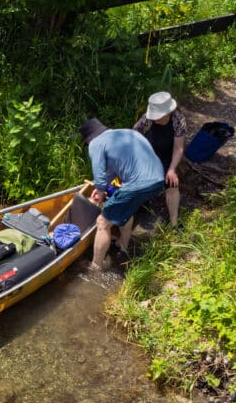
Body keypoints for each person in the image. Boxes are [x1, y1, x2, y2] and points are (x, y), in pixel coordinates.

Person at [79, 118, 165, 270]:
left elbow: (99, 174)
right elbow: (113, 169)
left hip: (138, 183)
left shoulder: (96, 143)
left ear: (88, 139)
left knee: (103, 221)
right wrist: (102, 186)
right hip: (158, 179)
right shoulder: (127, 132)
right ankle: (123, 246)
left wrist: (100, 194)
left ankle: (96, 266)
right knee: (126, 207)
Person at [133, 91, 187, 226]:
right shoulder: (146, 120)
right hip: (148, 154)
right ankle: (140, 208)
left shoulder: (178, 120)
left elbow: (178, 148)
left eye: (159, 116)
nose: (155, 119)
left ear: (168, 113)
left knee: (172, 185)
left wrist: (172, 169)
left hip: (168, 154)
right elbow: (133, 137)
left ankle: (174, 222)